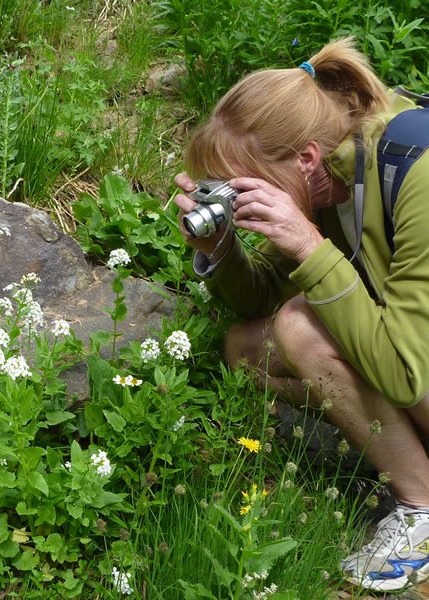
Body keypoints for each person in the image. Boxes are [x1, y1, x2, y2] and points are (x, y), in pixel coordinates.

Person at [172, 37, 429, 592]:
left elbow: (407, 375)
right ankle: (407, 451)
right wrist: (221, 247)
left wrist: (310, 247)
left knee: (298, 327)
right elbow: (265, 297)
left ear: (306, 159)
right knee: (249, 350)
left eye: (244, 187)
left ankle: (421, 505)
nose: (238, 200)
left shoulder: (416, 170)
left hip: (413, 366)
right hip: (409, 358)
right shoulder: (331, 175)